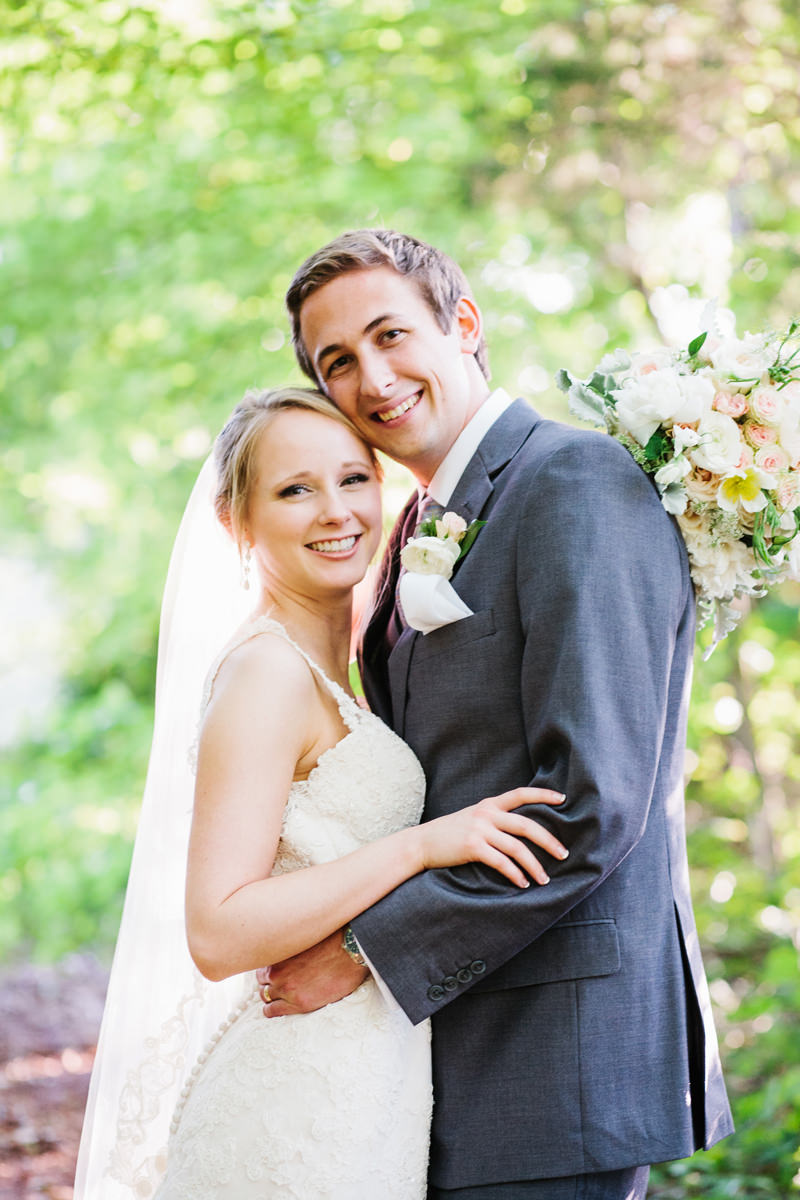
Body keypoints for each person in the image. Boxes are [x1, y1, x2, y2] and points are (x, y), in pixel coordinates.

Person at [254, 230, 735, 1199]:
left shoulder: (573, 485)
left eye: (390, 335)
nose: (372, 377)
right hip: (455, 1053)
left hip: (554, 1060)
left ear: (463, 324)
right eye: (336, 362)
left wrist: (365, 954)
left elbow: (587, 801)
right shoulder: (413, 529)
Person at [74, 385, 568, 1200]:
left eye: (353, 478)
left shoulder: (350, 663)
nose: (335, 511)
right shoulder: (267, 674)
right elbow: (220, 929)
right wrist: (419, 845)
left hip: (368, 1089)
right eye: (294, 489)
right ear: (237, 522)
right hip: (296, 1112)